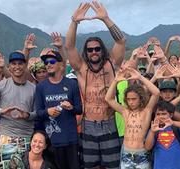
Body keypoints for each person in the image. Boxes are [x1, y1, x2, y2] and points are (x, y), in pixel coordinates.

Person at [65, 2, 126, 168]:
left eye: (97, 49)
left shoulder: (111, 64)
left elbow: (121, 41)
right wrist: (74, 22)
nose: (94, 52)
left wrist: (106, 19)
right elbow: (69, 46)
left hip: (109, 123)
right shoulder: (81, 67)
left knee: (113, 165)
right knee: (90, 165)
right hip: (88, 125)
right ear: (86, 51)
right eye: (90, 49)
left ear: (102, 50)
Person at [0, 51, 37, 168]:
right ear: (9, 67)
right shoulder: (2, 85)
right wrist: (1, 111)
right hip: (7, 136)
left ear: (25, 66)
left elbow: (38, 112)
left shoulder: (33, 88)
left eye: (20, 63)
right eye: (14, 64)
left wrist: (27, 115)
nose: (17, 67)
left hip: (27, 136)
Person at [35, 50, 82, 169]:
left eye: (52, 61)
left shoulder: (72, 84)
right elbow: (38, 113)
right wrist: (47, 112)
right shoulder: (41, 87)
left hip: (71, 139)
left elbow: (79, 109)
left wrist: (71, 107)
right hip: (52, 141)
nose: (48, 64)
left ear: (61, 64)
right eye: (46, 62)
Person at [105, 68, 160, 168]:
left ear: (141, 98)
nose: (131, 102)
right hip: (126, 152)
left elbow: (156, 92)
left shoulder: (146, 111)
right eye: (128, 99)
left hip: (142, 153)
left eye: (134, 99)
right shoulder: (125, 111)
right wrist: (115, 81)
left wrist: (140, 77)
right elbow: (108, 99)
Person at [144, 101, 180, 169]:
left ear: (171, 115)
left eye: (164, 114)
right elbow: (147, 147)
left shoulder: (176, 127)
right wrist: (152, 131)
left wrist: (173, 123)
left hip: (179, 166)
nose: (161, 116)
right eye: (158, 114)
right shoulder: (154, 129)